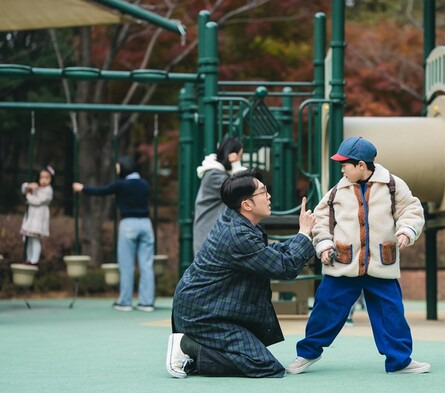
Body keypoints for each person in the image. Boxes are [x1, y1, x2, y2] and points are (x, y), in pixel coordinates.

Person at [286, 136, 430, 375]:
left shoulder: (393, 185)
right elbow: (321, 221)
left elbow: (411, 210)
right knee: (325, 311)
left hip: (381, 264)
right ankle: (307, 354)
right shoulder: (336, 191)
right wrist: (323, 245)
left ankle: (399, 361)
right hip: (342, 263)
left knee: (391, 314)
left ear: (361, 165)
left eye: (345, 164)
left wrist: (406, 230)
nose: (342, 169)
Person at [167, 169, 316, 379]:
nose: (269, 196)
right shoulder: (238, 234)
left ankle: (195, 349)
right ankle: (188, 348)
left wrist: (304, 237)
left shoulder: (236, 221)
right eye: (263, 192)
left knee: (256, 356)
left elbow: (268, 256)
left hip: (211, 307)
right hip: (203, 315)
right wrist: (303, 234)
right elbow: (285, 267)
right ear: (247, 204)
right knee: (264, 365)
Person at [72, 156, 155, 312]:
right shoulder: (144, 184)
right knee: (146, 265)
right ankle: (147, 302)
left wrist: (82, 188)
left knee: (127, 264)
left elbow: (101, 191)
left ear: (124, 168)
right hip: (146, 224)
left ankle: (125, 301)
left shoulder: (121, 185)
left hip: (128, 224)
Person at [193, 136, 245, 255]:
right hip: (208, 234)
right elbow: (240, 189)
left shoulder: (218, 173)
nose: (240, 159)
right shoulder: (214, 175)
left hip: (211, 233)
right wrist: (236, 165)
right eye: (239, 156)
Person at [20, 166, 55, 265]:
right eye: (41, 177)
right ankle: (29, 258)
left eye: (47, 178)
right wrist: (28, 186)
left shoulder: (48, 190)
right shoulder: (37, 187)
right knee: (28, 239)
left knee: (35, 239)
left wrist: (28, 195)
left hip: (39, 217)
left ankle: (34, 260)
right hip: (31, 216)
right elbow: (23, 188)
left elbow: (37, 201)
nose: (43, 180)